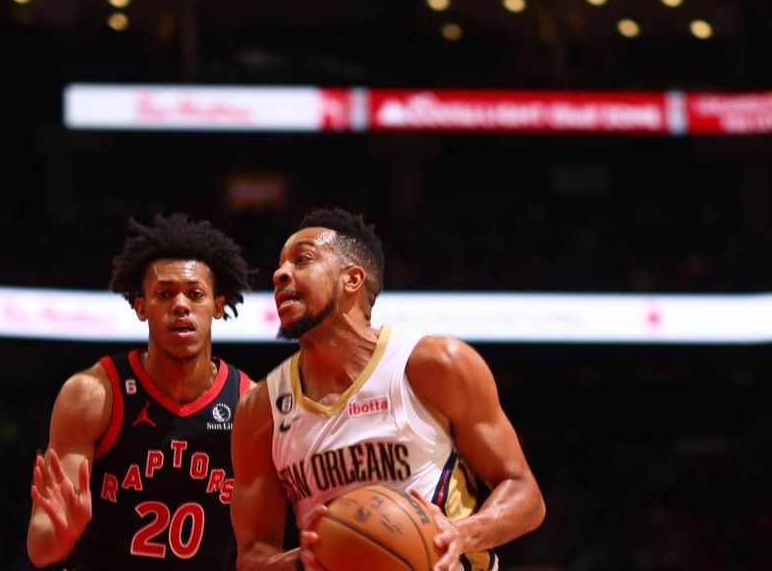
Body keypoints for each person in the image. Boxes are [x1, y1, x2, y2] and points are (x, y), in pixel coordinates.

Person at [230, 207, 545, 571]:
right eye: (281, 264)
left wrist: (459, 533)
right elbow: (252, 557)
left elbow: (526, 495)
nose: (280, 273)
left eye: (302, 260)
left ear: (352, 279)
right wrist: (306, 561)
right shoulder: (260, 410)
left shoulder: (434, 364)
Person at [27, 213, 254, 570]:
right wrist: (62, 535)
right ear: (141, 308)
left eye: (195, 294)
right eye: (164, 294)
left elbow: (259, 545)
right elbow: (40, 548)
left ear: (219, 306)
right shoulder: (91, 395)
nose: (180, 305)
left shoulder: (249, 405)